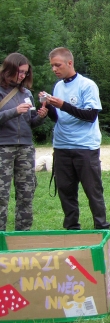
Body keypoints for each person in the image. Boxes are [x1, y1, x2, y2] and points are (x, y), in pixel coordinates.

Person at [43, 47, 109, 231]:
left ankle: (102, 228)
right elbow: (59, 118)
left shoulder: (87, 85)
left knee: (93, 190)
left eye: (58, 65)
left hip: (85, 146)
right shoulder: (58, 86)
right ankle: (72, 229)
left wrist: (63, 105)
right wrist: (48, 108)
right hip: (62, 146)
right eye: (52, 66)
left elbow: (90, 115)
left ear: (69, 63)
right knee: (65, 191)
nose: (54, 69)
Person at [0, 53, 48, 231]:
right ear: (9, 69)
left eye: (25, 73)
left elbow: (30, 122)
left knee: (27, 193)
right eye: (20, 71)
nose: (22, 76)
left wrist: (40, 117)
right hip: (3, 147)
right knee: (1, 195)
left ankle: (23, 235)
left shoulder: (26, 93)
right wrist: (14, 111)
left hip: (25, 148)